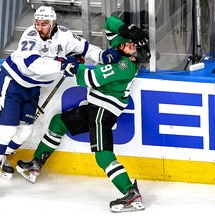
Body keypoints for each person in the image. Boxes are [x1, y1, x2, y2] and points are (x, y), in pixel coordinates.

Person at [0, 6, 123, 198]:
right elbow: (35, 64)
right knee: (6, 129)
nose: (40, 27)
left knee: (25, 131)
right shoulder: (30, 37)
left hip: (32, 89)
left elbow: (85, 48)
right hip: (12, 83)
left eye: (44, 24)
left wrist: (102, 55)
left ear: (53, 24)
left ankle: (2, 155)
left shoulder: (64, 35)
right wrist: (63, 64)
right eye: (37, 23)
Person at [16, 15, 150, 212]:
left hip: (103, 113)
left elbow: (88, 79)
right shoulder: (119, 50)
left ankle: (130, 193)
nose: (131, 45)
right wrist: (124, 28)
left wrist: (72, 65)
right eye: (128, 42)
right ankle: (35, 164)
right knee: (59, 122)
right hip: (94, 108)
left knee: (102, 156)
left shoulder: (124, 66)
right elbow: (110, 22)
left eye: (132, 45)